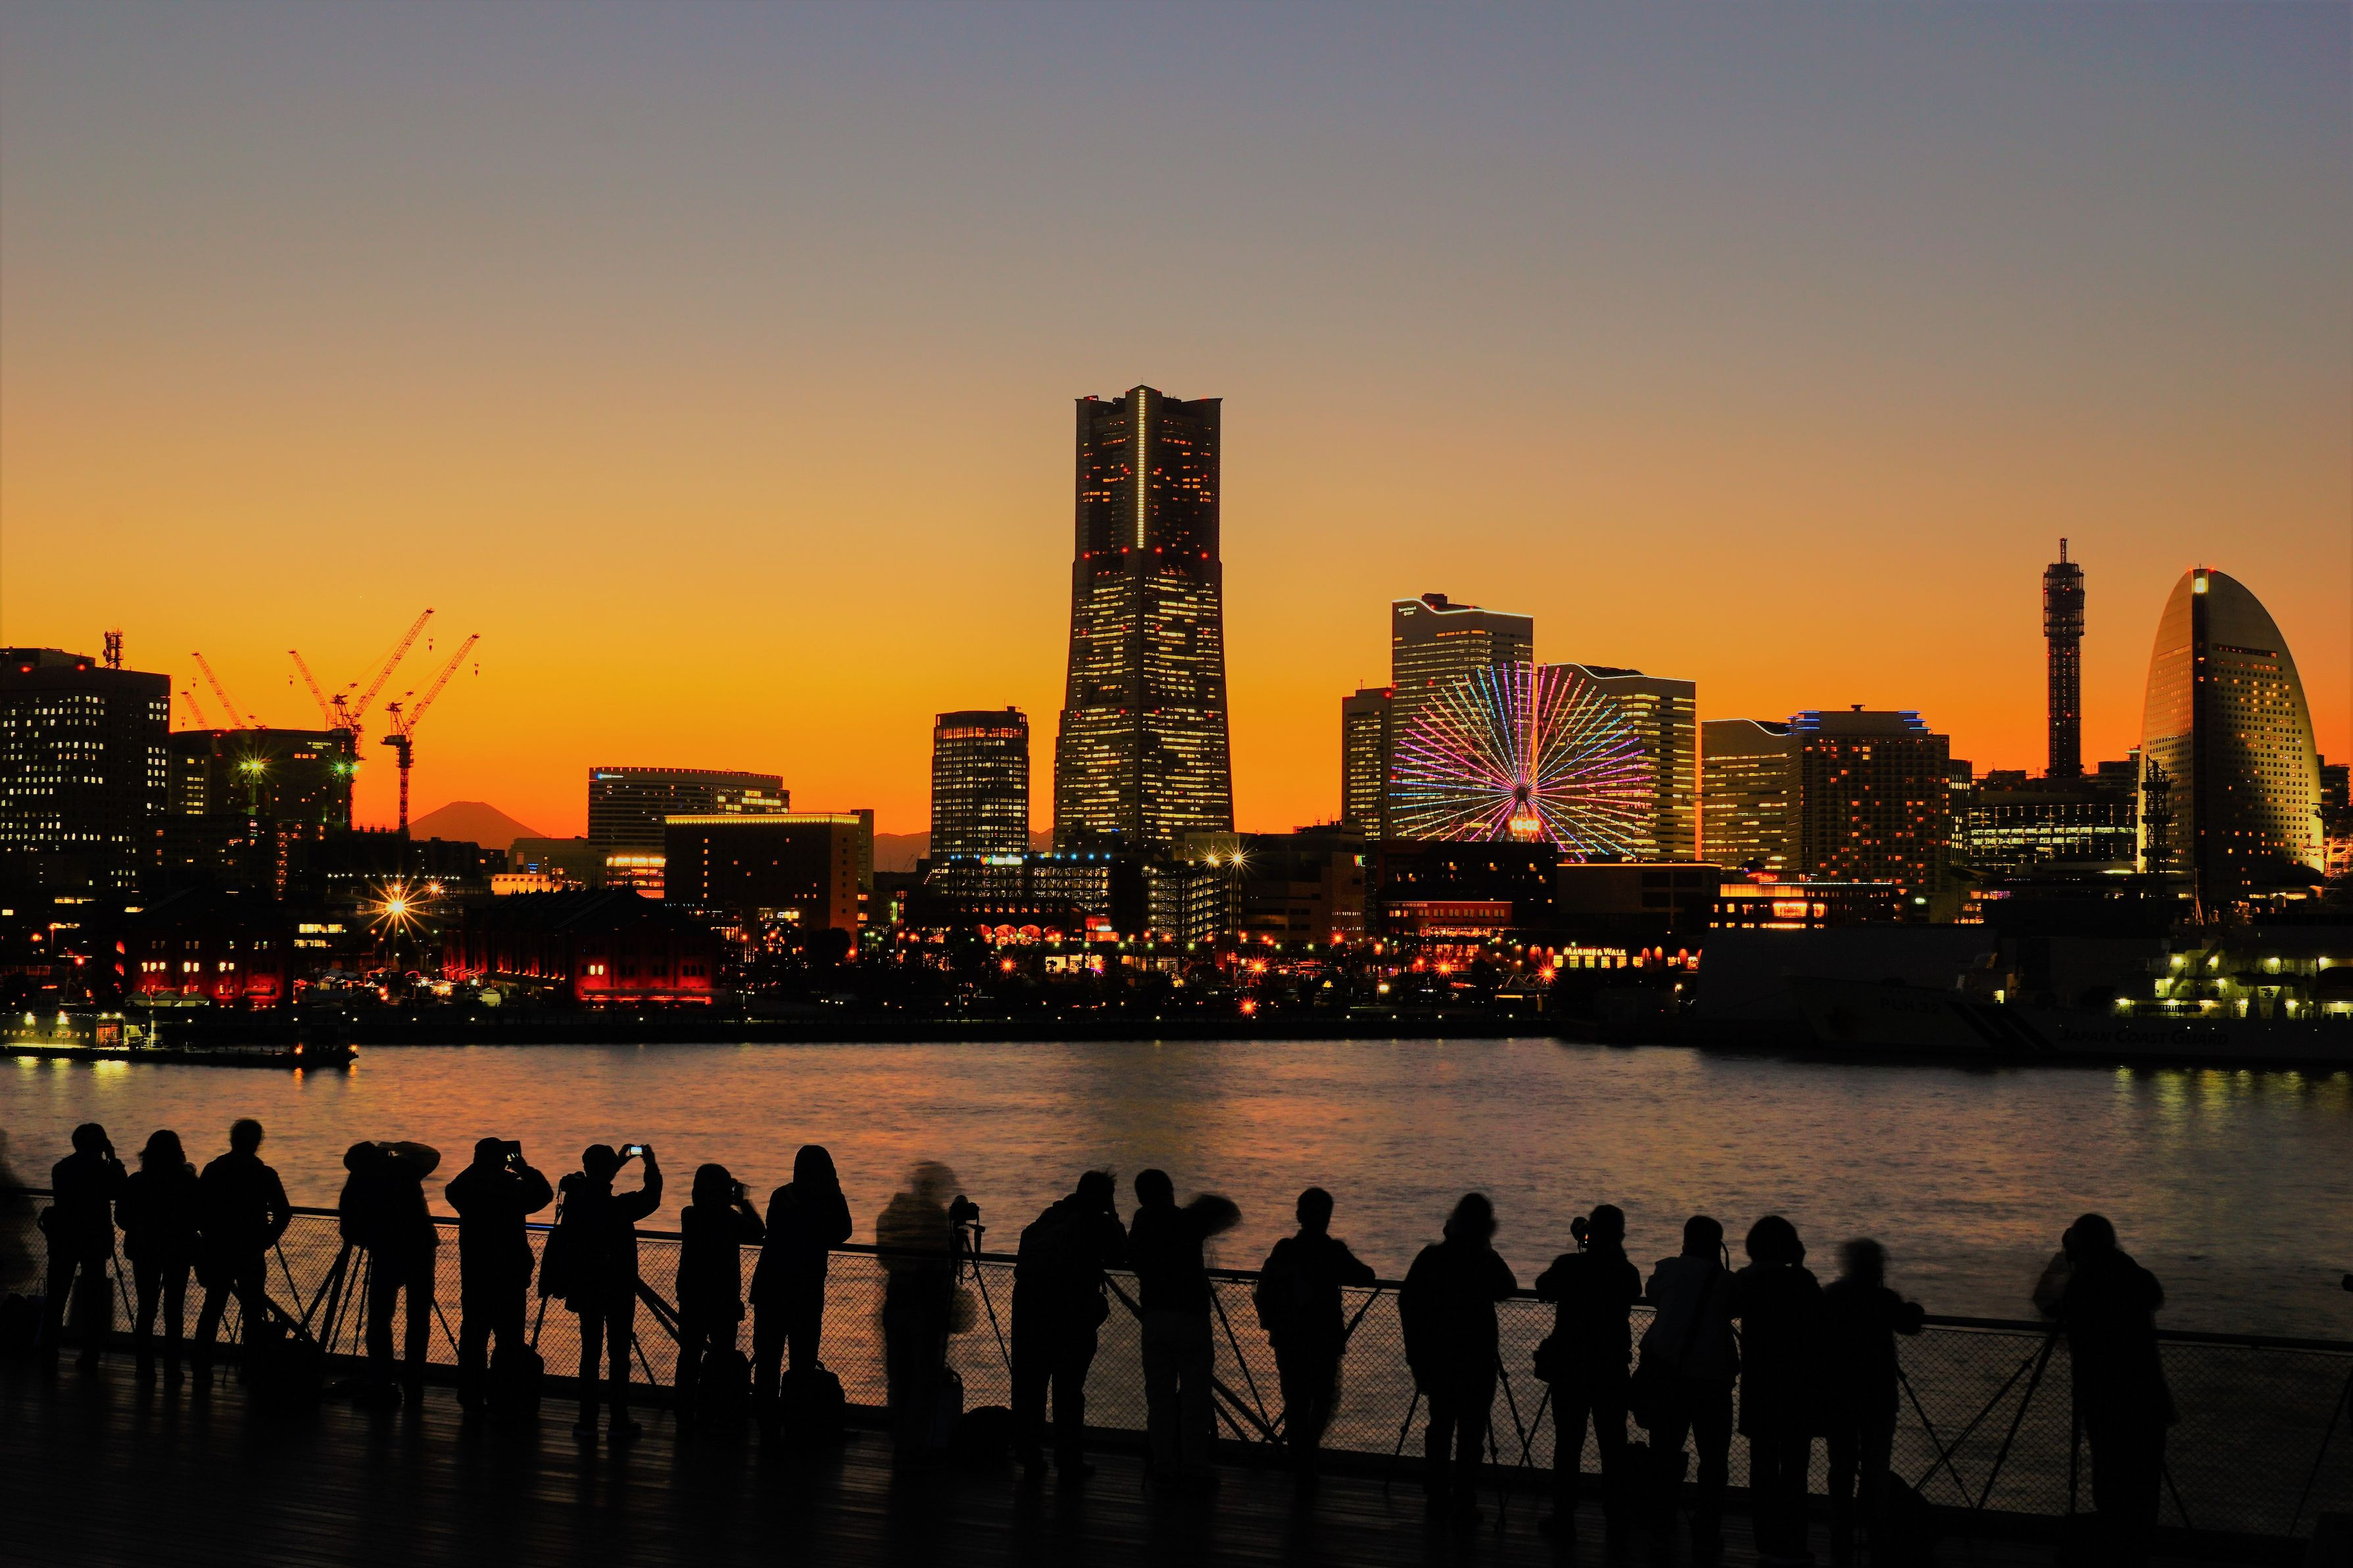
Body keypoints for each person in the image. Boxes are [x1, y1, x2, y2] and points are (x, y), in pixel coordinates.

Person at [2033, 1214, 2174, 1565]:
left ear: (2082, 1245)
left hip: (2105, 1400)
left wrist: (2064, 1259)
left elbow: (2047, 1304)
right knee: (2144, 1486)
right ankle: (2135, 1550)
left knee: (2111, 1481)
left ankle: (2112, 1550)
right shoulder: (2133, 1274)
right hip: (2147, 1399)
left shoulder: (2086, 1281)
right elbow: (2151, 1294)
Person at [1400, 1193, 1519, 1525]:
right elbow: (1508, 1287)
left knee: (1440, 1427)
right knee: (1472, 1434)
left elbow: (1408, 1302)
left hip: (1438, 1359)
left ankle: (1437, 1496)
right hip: (1477, 1360)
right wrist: (1487, 1250)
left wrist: (1416, 1354)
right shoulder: (1483, 1261)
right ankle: (1464, 1499)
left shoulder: (1431, 1258)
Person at [1533, 1202, 1643, 1548]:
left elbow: (1543, 1286)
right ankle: (1617, 1517)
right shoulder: (1627, 1273)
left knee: (1568, 1445)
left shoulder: (1570, 1266)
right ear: (1620, 1236)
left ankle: (1564, 1516)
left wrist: (1582, 1249)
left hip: (1570, 1369)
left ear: (1590, 1234)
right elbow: (1630, 1287)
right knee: (1613, 1445)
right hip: (1611, 1369)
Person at [1253, 1186, 1376, 1487]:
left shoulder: (1284, 1249)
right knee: (1322, 1400)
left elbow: (1266, 1288)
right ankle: (1308, 1454)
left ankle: (1300, 1460)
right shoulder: (1332, 1251)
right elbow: (1366, 1276)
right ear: (1328, 1217)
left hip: (1288, 1339)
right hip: (1324, 1340)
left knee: (1295, 1402)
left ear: (1299, 1215)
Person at [1011, 1170, 1130, 1481]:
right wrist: (1114, 1215)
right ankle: (1068, 1459)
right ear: (1104, 1198)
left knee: (1031, 1387)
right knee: (1069, 1391)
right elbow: (1123, 1254)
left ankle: (1030, 1453)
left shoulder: (1052, 1216)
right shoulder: (1098, 1223)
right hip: (1073, 1319)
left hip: (1032, 1316)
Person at [1128, 1168, 1242, 1490]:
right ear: (1170, 1191)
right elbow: (1229, 1213)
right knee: (1195, 1396)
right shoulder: (1188, 1222)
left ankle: (1163, 1463)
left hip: (1154, 1316)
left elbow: (1132, 1258)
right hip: (1191, 1317)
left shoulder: (1142, 1222)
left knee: (1159, 1397)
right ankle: (1194, 1465)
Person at [1639, 1214, 1739, 1560]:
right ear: (1717, 1245)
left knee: (1664, 1457)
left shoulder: (1667, 1269)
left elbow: (1654, 1294)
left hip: (1668, 1379)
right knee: (1714, 1461)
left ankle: (1660, 1529)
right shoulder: (1726, 1282)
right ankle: (1706, 1533)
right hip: (1713, 1382)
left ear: (1685, 1240)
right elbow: (1735, 1308)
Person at [1819, 1240, 1924, 1565]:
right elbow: (1910, 1325)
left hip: (1839, 1396)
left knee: (1841, 1467)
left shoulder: (1832, 1296)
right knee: (1876, 1468)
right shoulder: (1884, 1299)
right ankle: (1878, 1531)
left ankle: (1841, 1530)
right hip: (1879, 1396)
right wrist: (1914, 1308)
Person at [556, 1142, 663, 1440]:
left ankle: (587, 1421)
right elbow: (652, 1196)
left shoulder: (575, 1204)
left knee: (590, 1354)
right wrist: (649, 1164)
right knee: (619, 1355)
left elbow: (595, 1184)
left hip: (586, 1286)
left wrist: (615, 1164)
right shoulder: (620, 1208)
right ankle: (618, 1420)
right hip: (618, 1288)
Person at [1733, 1215, 1822, 1567]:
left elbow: (1731, 1301)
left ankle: (1767, 1541)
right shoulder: (1802, 1281)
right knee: (1796, 1469)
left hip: (1760, 1387)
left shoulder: (1747, 1281)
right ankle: (1794, 1542)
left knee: (1763, 1466)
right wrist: (1799, 1265)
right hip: (1798, 1388)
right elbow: (1820, 1320)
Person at [443, 1137, 553, 1415]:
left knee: (473, 1338)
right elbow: (544, 1194)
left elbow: (452, 1189)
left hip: (477, 1274)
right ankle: (505, 1396)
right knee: (509, 1341)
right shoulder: (510, 1188)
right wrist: (523, 1168)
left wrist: (479, 1166)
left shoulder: (468, 1188)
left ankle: (471, 1396)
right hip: (510, 1275)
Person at [750, 1143, 854, 1431]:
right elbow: (843, 1231)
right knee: (803, 1364)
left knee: (768, 1362)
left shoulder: (780, 1197)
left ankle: (767, 1424)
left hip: (771, 1291)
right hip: (805, 1294)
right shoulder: (825, 1203)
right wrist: (836, 1190)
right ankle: (798, 1423)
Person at [338, 1139, 443, 1404]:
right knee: (418, 1319)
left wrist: (369, 1239)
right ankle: (414, 1381)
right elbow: (431, 1154)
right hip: (419, 1248)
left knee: (380, 1317)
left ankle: (381, 1379)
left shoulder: (359, 1181)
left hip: (385, 1251)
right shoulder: (403, 1168)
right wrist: (396, 1145)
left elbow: (348, 1226)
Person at [876, 1160, 965, 1461]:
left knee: (899, 1375)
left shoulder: (895, 1214)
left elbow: (886, 1258)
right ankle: (919, 1441)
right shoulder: (936, 1218)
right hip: (927, 1309)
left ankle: (902, 1439)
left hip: (896, 1305)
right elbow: (946, 1264)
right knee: (924, 1376)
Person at [192, 1119, 291, 1383]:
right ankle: (251, 1367)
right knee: (252, 1311)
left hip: (218, 1250)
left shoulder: (214, 1170)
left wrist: (209, 1235)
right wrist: (266, 1239)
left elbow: (199, 1209)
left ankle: (201, 1366)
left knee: (213, 1307)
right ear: (257, 1143)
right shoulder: (265, 1174)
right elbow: (283, 1212)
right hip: (251, 1252)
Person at [675, 1162, 765, 1423]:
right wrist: (742, 1202)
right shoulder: (729, 1220)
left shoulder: (689, 1216)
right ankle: (718, 1411)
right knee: (723, 1356)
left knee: (689, 1357)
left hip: (692, 1298)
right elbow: (759, 1232)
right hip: (723, 1301)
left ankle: (684, 1413)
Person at [118, 1129, 203, 1384]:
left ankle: (145, 1366)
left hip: (145, 1249)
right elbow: (199, 1218)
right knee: (174, 1310)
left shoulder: (137, 1182)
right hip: (178, 1250)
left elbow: (122, 1218)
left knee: (146, 1309)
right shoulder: (187, 1183)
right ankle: (172, 1369)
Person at [41, 1123, 126, 1370]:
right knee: (94, 1299)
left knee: (56, 1297)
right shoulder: (103, 1170)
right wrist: (113, 1158)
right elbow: (122, 1189)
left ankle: (49, 1351)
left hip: (64, 1239)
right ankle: (90, 1354)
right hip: (94, 1240)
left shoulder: (61, 1169)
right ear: (101, 1145)